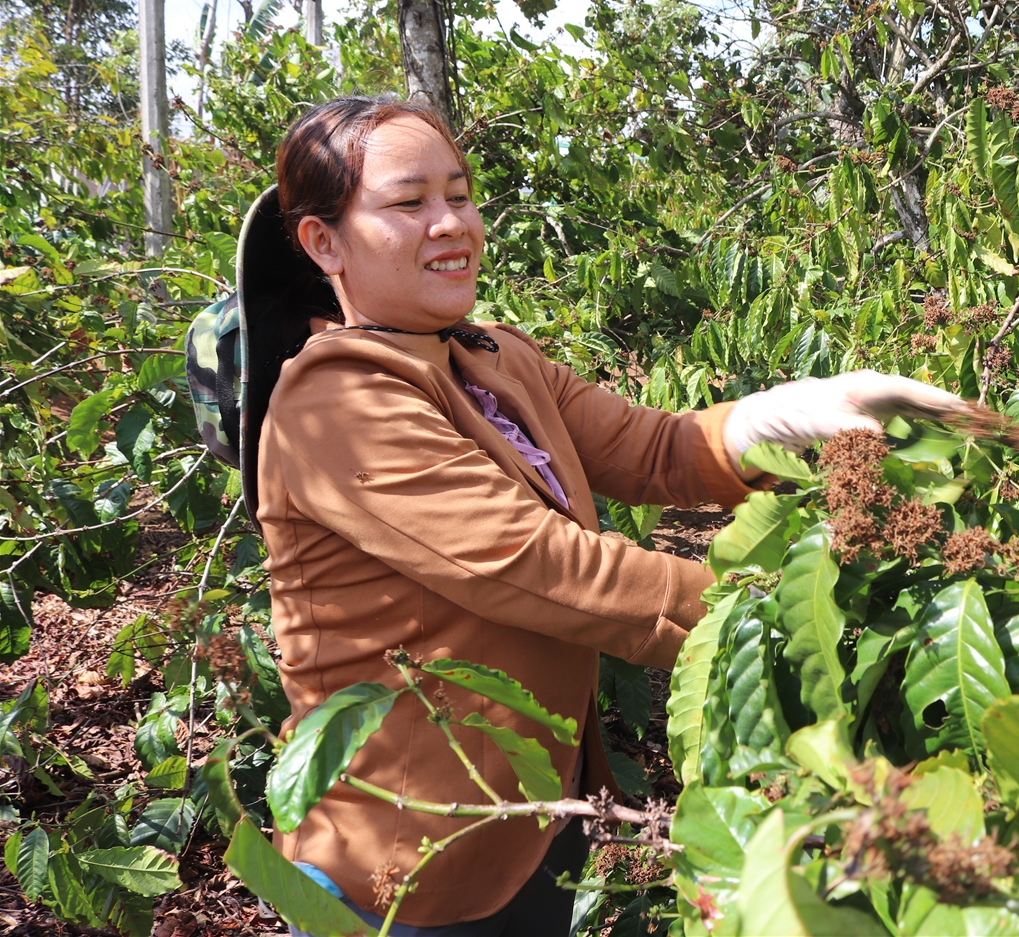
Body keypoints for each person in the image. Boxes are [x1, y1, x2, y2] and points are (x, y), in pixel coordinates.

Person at [238, 95, 965, 935]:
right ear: (323, 241)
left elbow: (656, 448)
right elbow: (544, 569)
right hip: (408, 856)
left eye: (461, 193)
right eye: (410, 202)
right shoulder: (335, 402)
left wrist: (797, 415)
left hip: (536, 808)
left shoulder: (493, 354)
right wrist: (800, 614)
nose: (451, 223)